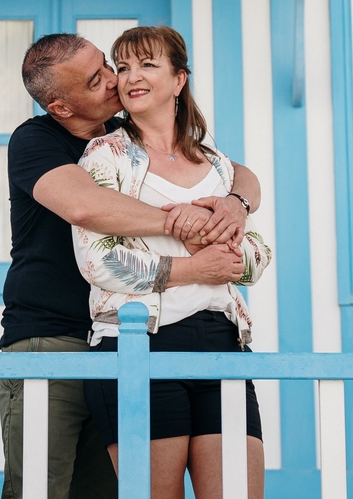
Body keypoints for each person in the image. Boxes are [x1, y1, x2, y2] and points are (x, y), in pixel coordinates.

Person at [0, 32, 263, 499]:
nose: (114, 80)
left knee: (105, 493)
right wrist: (189, 223)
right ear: (61, 107)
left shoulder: (136, 132)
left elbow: (234, 171)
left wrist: (237, 202)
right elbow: (85, 208)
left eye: (109, 65)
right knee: (40, 490)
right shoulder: (38, 141)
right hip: (54, 339)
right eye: (97, 78)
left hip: (130, 335)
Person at [73, 25, 271, 499]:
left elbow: (256, 259)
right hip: (137, 345)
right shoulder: (105, 154)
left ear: (180, 79)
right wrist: (191, 269)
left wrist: (217, 237)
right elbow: (97, 262)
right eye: (123, 67)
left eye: (147, 64)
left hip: (222, 344)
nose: (131, 77)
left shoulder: (218, 165)